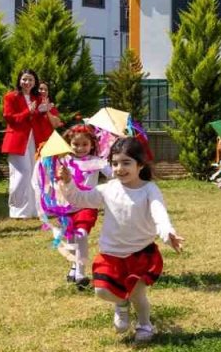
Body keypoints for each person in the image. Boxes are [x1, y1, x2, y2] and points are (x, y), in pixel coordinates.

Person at [59, 136, 182, 343]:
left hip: (140, 253)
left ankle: (145, 325)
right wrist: (69, 182)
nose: (119, 168)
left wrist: (167, 232)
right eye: (114, 163)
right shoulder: (108, 189)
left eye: (126, 163)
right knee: (101, 291)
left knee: (138, 296)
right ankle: (121, 304)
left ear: (140, 164)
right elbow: (80, 199)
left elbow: (159, 213)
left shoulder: (149, 189)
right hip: (111, 254)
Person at [60, 124, 111, 289]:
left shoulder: (97, 162)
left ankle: (81, 273)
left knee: (81, 234)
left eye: (85, 144)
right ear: (68, 144)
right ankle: (74, 266)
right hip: (66, 206)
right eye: (76, 144)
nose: (80, 148)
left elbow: (114, 174)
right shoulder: (63, 161)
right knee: (70, 238)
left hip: (87, 204)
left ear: (92, 145)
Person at [1, 70, 44, 218]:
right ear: (19, 80)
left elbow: (36, 118)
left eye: (31, 80)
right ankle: (17, 210)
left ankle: (32, 209)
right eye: (25, 79)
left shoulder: (35, 97)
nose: (27, 83)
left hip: (33, 139)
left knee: (33, 173)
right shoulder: (10, 96)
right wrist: (28, 111)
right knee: (21, 173)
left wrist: (42, 111)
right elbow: (9, 118)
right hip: (17, 139)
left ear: (35, 82)